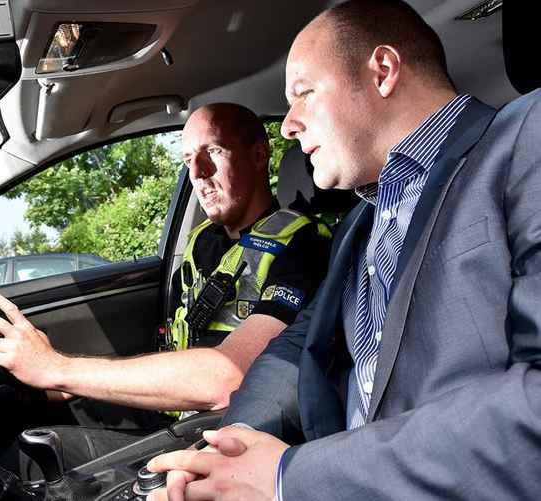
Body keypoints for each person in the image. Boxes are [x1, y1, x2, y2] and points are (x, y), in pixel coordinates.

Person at [146, 0, 541, 499]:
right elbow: (294, 352)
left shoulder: (526, 139)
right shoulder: (359, 225)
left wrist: (291, 478)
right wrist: (229, 450)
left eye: (303, 94)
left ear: (382, 71)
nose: (288, 126)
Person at [0, 102, 332, 471]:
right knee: (8, 415)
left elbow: (230, 376)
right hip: (177, 414)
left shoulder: (303, 245)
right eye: (188, 159)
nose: (197, 172)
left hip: (225, 434)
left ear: (259, 155)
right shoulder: (200, 242)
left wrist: (58, 368)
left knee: (29, 460)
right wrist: (69, 380)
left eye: (212, 151)